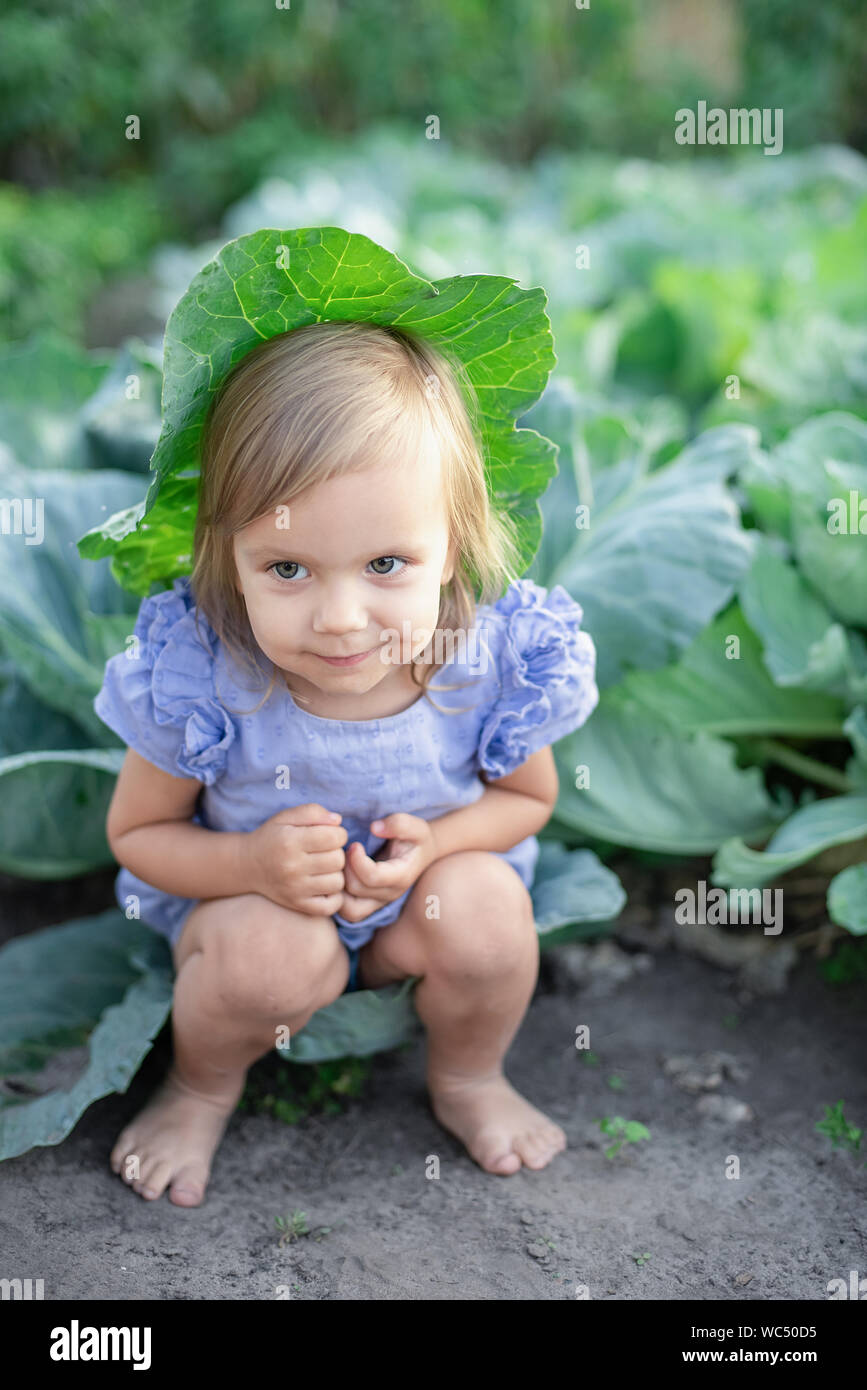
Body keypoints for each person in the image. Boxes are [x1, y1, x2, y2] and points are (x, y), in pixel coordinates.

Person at [94, 319, 599, 1206]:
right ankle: (201, 1087)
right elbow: (138, 834)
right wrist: (250, 863)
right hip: (254, 913)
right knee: (269, 959)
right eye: (287, 567)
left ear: (453, 548)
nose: (338, 617)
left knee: (485, 913)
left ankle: (469, 1078)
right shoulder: (204, 670)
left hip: (421, 915)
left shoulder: (486, 657)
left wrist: (436, 847)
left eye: (385, 564)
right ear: (227, 556)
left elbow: (526, 798)